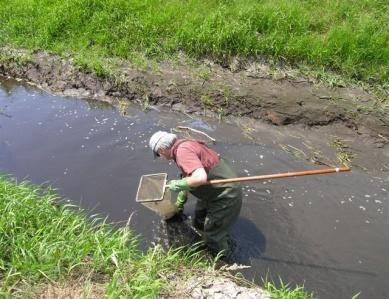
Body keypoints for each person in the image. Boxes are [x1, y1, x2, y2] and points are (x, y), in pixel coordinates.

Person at [149, 130, 242, 259]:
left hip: (225, 194)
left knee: (213, 232)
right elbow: (189, 175)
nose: (162, 157)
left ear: (162, 149)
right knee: (199, 218)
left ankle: (222, 260)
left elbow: (200, 178)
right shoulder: (185, 144)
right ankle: (205, 240)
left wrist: (178, 184)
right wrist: (180, 202)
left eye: (159, 154)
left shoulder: (182, 152)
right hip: (212, 190)